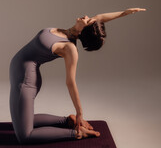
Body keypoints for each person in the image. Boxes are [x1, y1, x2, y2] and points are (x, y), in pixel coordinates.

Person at [9, 7, 146, 144]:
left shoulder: (70, 49)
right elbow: (101, 17)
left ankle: (76, 133)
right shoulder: (69, 32)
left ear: (84, 29)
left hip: (25, 80)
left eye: (87, 20)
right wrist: (124, 13)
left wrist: (80, 113)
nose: (86, 16)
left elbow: (70, 82)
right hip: (20, 74)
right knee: (22, 119)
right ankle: (68, 121)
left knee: (25, 136)